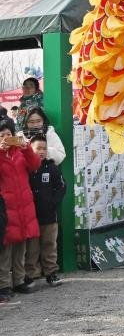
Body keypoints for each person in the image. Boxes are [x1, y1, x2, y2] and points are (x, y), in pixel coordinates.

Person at [0, 119, 42, 298]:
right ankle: (3, 285)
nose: (6, 138)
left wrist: (26, 148)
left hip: (23, 206)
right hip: (6, 207)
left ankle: (19, 281)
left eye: (8, 134)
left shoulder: (20, 152)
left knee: (21, 246)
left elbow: (35, 165)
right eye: (1, 135)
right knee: (5, 250)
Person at [26, 135, 66, 287]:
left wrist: (53, 203)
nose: (41, 152)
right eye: (38, 149)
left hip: (49, 216)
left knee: (49, 245)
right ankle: (30, 275)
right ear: (31, 148)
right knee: (31, 247)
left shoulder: (52, 167)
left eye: (44, 148)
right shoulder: (27, 167)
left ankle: (51, 273)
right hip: (30, 216)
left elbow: (61, 187)